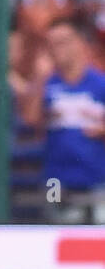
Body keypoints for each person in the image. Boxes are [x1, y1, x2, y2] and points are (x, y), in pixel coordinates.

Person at [16, 16, 105, 222]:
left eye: (63, 42)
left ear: (80, 43)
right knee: (55, 228)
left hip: (97, 177)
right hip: (56, 179)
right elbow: (30, 119)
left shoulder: (99, 84)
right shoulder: (47, 84)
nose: (57, 49)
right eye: (51, 44)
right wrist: (39, 78)